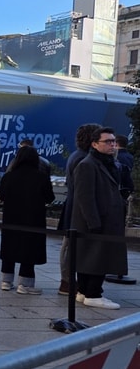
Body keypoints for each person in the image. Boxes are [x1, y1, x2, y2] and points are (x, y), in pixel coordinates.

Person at [70, 127, 126, 309]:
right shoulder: (88, 164)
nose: (112, 145)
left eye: (113, 141)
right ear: (95, 144)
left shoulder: (106, 163)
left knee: (91, 257)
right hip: (96, 222)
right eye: (108, 142)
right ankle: (93, 293)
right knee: (95, 258)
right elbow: (85, 197)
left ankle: (85, 291)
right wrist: (94, 222)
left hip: (103, 220)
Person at [0, 146, 55, 294]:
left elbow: (1, 196)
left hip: (11, 218)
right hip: (33, 218)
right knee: (29, 249)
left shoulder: (8, 176)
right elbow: (50, 197)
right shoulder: (40, 177)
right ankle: (25, 283)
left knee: (9, 247)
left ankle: (6, 280)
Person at [57, 123, 101, 296]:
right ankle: (66, 282)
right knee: (69, 246)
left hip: (72, 205)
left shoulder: (77, 156)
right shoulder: (83, 158)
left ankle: (67, 281)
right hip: (76, 208)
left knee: (69, 245)